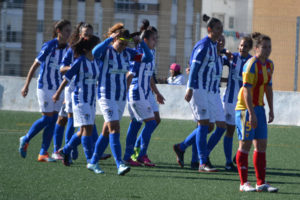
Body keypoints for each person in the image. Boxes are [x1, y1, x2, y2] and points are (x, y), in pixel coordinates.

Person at [86, 23, 153, 175]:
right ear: (115, 40)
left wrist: (141, 41)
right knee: (115, 128)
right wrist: (108, 40)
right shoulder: (106, 51)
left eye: (125, 44)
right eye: (120, 43)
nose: (122, 46)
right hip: (106, 95)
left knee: (107, 130)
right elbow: (95, 53)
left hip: (120, 96)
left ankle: (93, 162)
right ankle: (119, 164)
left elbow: (148, 57)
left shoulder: (128, 53)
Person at [173, 15, 223, 172]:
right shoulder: (203, 46)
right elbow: (193, 68)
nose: (220, 32)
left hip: (208, 92)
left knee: (213, 126)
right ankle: (202, 162)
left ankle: (182, 147)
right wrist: (189, 88)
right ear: (209, 30)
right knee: (203, 124)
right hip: (198, 90)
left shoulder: (214, 47)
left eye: (221, 29)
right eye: (217, 29)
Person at [19, 19, 71, 162]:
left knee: (53, 120)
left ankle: (43, 153)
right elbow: (35, 65)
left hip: (58, 89)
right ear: (59, 31)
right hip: (45, 87)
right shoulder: (48, 46)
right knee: (47, 118)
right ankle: (26, 138)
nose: (69, 33)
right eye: (67, 30)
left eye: (70, 31)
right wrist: (26, 85)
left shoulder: (68, 49)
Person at [235, 32, 278, 192]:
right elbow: (246, 91)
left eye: (269, 47)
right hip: (246, 108)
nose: (267, 50)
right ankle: (243, 183)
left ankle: (261, 183)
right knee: (245, 144)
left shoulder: (269, 65)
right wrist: (251, 113)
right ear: (256, 48)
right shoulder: (251, 64)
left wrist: (271, 109)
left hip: (259, 108)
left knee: (261, 145)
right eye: (264, 47)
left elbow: (268, 88)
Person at [53, 35, 101, 167]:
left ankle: (65, 150)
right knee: (86, 129)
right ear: (89, 49)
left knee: (85, 130)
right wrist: (57, 93)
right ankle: (91, 161)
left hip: (91, 100)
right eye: (97, 46)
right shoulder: (80, 61)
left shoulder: (95, 61)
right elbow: (67, 78)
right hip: (80, 99)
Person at [123, 20, 165, 167]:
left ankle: (130, 155)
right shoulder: (139, 54)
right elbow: (130, 75)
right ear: (145, 40)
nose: (156, 41)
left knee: (141, 123)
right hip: (137, 93)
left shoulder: (151, 52)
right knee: (150, 122)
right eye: (154, 39)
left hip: (145, 92)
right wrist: (124, 93)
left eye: (156, 38)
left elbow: (149, 77)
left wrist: (157, 93)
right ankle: (140, 154)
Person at [222, 36, 253, 170]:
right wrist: (224, 51)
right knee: (230, 131)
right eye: (241, 45)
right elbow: (219, 58)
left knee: (246, 134)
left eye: (245, 46)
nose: (242, 48)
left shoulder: (252, 62)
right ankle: (229, 162)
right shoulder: (233, 57)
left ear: (249, 48)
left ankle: (238, 156)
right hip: (230, 101)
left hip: (244, 103)